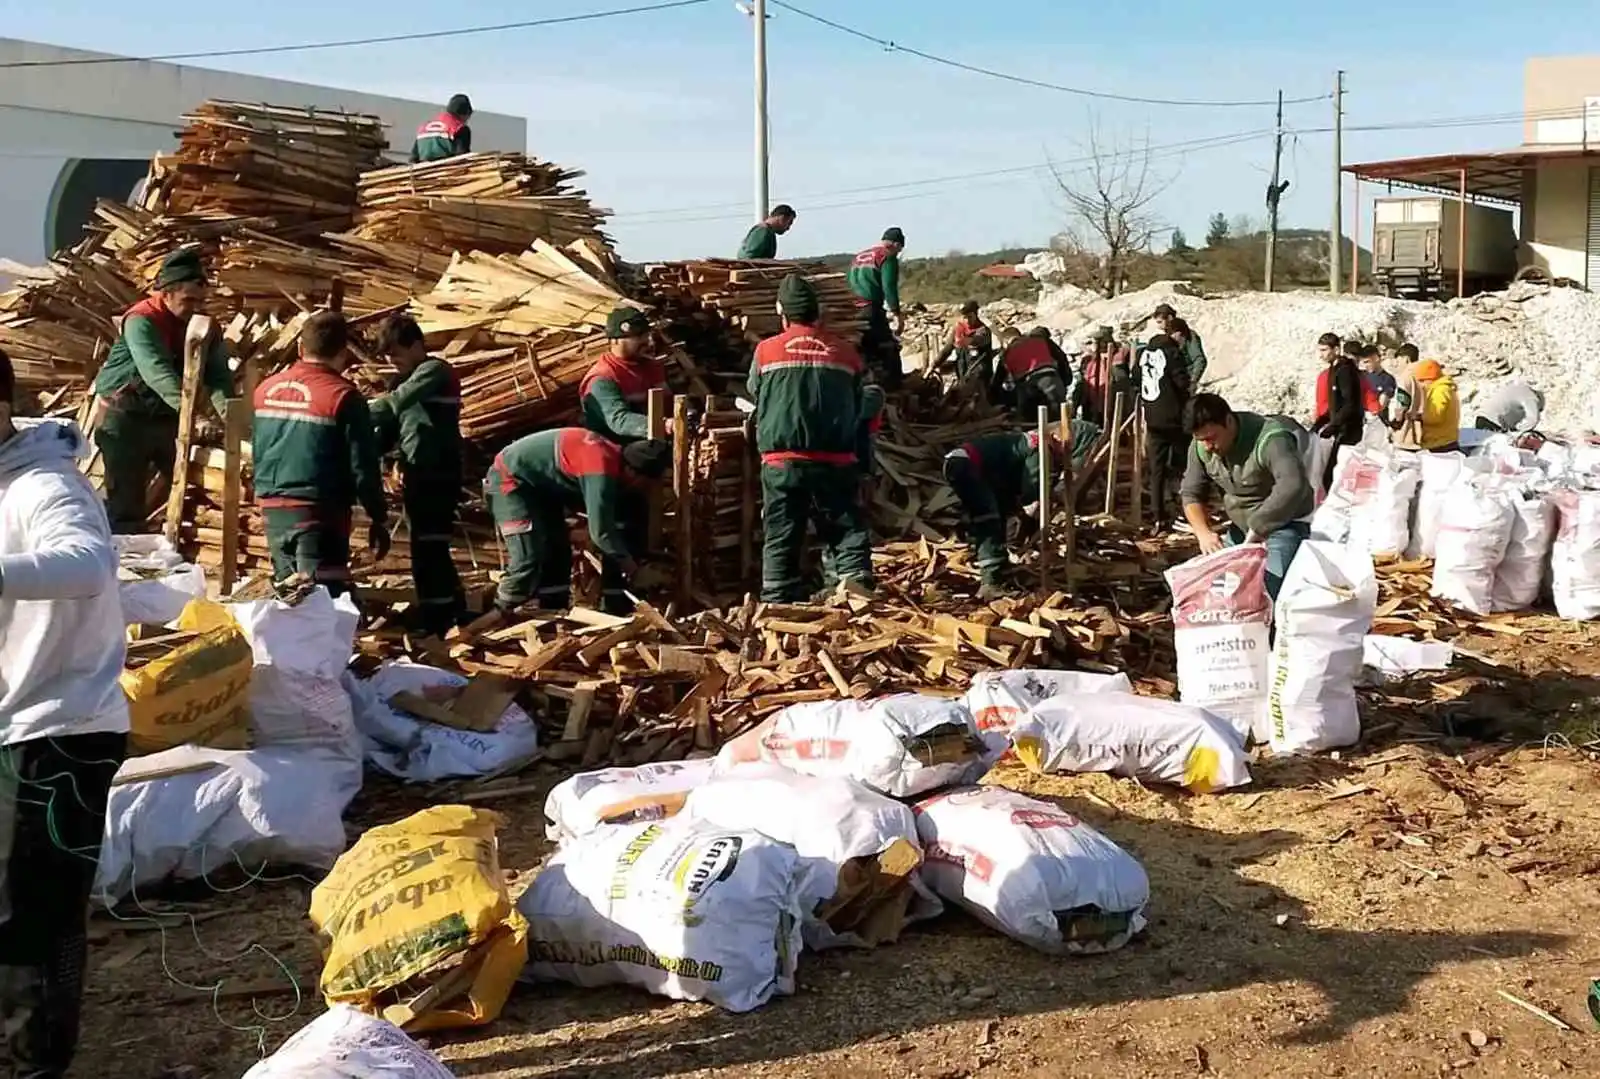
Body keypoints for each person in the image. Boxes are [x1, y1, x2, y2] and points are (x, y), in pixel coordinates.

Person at [0, 347, 128, 1078]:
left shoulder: (47, 485)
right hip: (15, 724)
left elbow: (87, 562)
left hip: (61, 732)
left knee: (32, 914)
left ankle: (32, 1064)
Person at [749, 274, 875, 602]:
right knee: (846, 530)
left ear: (782, 312)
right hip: (836, 460)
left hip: (782, 461)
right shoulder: (846, 353)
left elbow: (755, 392)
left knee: (781, 533)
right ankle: (855, 594)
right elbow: (861, 400)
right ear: (819, 312)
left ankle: (777, 602)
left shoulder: (766, 351)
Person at [90, 249, 233, 533]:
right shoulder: (141, 320)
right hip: (125, 415)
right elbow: (156, 372)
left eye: (200, 301)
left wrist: (233, 419)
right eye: (187, 301)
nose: (195, 308)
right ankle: (124, 562)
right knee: (126, 500)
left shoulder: (205, 327)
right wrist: (195, 417)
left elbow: (217, 376)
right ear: (166, 295)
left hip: (166, 415)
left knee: (191, 487)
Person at [252, 311, 389, 596]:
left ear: (301, 348)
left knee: (289, 597)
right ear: (343, 353)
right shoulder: (343, 396)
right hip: (318, 512)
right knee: (322, 597)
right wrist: (378, 515)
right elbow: (362, 466)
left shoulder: (265, 389)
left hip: (272, 508)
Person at [483, 429, 670, 617]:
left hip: (539, 489)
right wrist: (634, 571)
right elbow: (601, 533)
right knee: (527, 558)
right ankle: (495, 616)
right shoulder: (601, 468)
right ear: (632, 471)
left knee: (557, 549)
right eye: (644, 483)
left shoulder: (613, 457)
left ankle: (552, 611)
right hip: (510, 480)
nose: (644, 489)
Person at [370, 315, 465, 636]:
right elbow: (388, 434)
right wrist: (387, 463)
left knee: (429, 549)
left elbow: (396, 404)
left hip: (439, 473)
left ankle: (437, 622)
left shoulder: (435, 371)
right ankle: (455, 610)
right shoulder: (400, 381)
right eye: (385, 356)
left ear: (416, 345)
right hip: (416, 475)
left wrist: (352, 413)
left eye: (395, 352)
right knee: (427, 547)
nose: (390, 361)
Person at [943, 419, 1100, 598]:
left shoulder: (1032, 443)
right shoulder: (1040, 448)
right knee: (988, 518)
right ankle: (991, 583)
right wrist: (1043, 503)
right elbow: (1033, 488)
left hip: (965, 464)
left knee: (998, 512)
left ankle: (998, 568)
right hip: (965, 464)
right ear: (1057, 437)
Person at [1180, 392, 1315, 600]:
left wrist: (1259, 526)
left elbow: (1292, 485)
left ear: (1228, 421)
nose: (1207, 446)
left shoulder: (1271, 438)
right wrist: (1203, 533)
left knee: (1268, 591)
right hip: (1240, 530)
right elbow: (1191, 492)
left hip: (1284, 525)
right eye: (1201, 440)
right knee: (1216, 589)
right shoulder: (1201, 446)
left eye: (1211, 438)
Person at [580, 307, 669, 446]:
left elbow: (667, 400)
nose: (649, 342)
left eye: (647, 335)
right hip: (614, 448)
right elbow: (620, 421)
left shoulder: (650, 366)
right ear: (615, 340)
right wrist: (666, 425)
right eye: (639, 336)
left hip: (652, 437)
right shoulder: (602, 378)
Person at [1137, 334, 1193, 531]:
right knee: (1185, 466)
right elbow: (1182, 382)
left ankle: (1157, 514)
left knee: (1157, 469)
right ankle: (1187, 509)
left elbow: (1137, 381)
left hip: (1153, 419)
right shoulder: (1171, 353)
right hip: (1175, 418)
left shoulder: (1143, 355)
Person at [847, 227, 906, 389]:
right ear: (895, 244)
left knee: (863, 349)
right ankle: (893, 388)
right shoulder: (887, 257)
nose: (898, 253)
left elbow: (847, 283)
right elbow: (889, 287)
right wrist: (897, 313)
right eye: (900, 249)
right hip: (870, 309)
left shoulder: (858, 257)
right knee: (888, 347)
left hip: (852, 310)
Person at [1311, 334, 1365, 492]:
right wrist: (1321, 422)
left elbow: (1350, 404)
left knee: (1334, 476)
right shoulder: (1333, 370)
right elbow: (1335, 403)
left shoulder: (1345, 371)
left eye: (1324, 350)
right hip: (1339, 428)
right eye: (1319, 350)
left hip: (1349, 431)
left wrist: (1333, 426)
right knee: (1330, 475)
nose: (1321, 354)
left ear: (1336, 349)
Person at [997, 326, 1071, 418]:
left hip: (1028, 388)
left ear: (1006, 342)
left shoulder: (1006, 354)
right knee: (1060, 422)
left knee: (1031, 425)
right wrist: (1066, 380)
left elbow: (997, 383)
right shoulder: (1039, 340)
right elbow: (1061, 358)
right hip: (1052, 381)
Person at [1071, 325, 1129, 428]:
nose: (1095, 345)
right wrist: (1075, 404)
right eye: (1094, 342)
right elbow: (1082, 382)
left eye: (1097, 341)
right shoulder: (1088, 360)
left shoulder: (1120, 356)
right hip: (1090, 404)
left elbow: (1123, 381)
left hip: (1111, 403)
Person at [932, 301, 995, 390]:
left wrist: (965, 340)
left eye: (970, 317)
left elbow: (975, 340)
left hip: (980, 378)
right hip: (963, 374)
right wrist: (935, 364)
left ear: (976, 315)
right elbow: (947, 349)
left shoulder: (983, 331)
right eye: (965, 317)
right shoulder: (958, 330)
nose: (967, 320)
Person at [1153, 302, 1207, 385]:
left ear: (1169, 318)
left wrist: (1192, 381)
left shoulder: (1187, 334)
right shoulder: (1165, 337)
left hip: (1185, 379)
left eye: (1160, 322)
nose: (1158, 326)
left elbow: (1199, 360)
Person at [1414, 359, 1461, 452]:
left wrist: (1417, 416)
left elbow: (1435, 416)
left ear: (1430, 378)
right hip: (1444, 440)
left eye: (1422, 381)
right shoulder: (1443, 388)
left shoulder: (1440, 391)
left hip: (1440, 444)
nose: (1421, 385)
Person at [410, 94, 473, 163]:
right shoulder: (460, 128)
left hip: (423, 170)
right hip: (447, 170)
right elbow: (462, 158)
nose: (466, 121)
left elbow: (413, 158)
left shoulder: (423, 128)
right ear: (465, 113)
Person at [1361, 344, 1397, 415]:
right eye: (1364, 362)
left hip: (1376, 420)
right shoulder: (1361, 375)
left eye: (1367, 362)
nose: (1365, 366)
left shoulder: (1387, 379)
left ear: (1376, 358)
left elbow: (1381, 406)